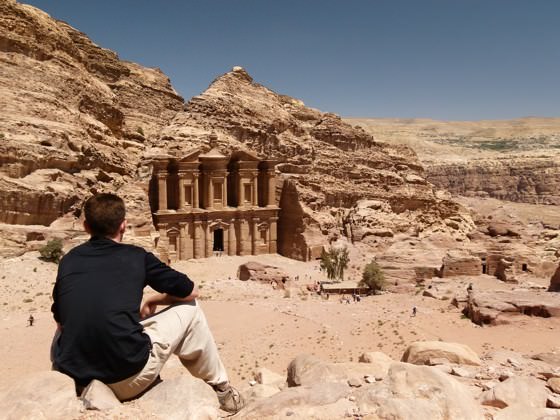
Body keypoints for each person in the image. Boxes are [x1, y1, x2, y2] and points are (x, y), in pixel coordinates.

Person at [50, 193, 244, 413]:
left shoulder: (69, 260)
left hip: (75, 379)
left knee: (65, 323)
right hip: (128, 378)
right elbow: (191, 291)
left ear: (86, 226)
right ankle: (222, 389)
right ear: (124, 225)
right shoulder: (137, 257)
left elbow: (60, 321)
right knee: (192, 310)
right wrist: (155, 298)